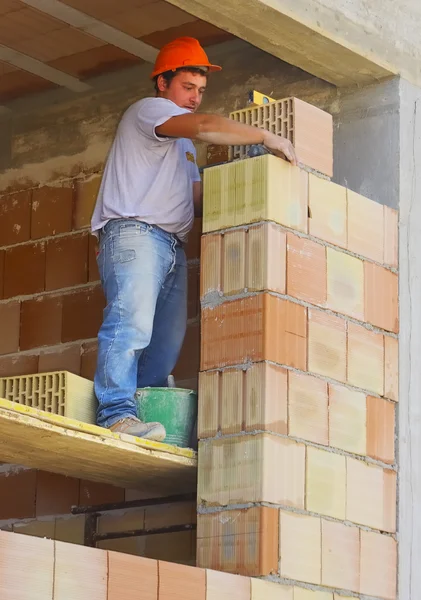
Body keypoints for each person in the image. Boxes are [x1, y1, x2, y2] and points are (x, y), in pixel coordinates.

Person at [91, 36, 297, 440]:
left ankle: (140, 414)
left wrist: (252, 185)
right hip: (135, 233)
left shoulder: (179, 143)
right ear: (162, 83)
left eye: (201, 91)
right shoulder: (149, 111)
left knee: (165, 343)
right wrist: (265, 137)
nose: (195, 98)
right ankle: (115, 411)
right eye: (188, 87)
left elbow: (195, 197)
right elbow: (206, 126)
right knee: (130, 323)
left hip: (169, 244)